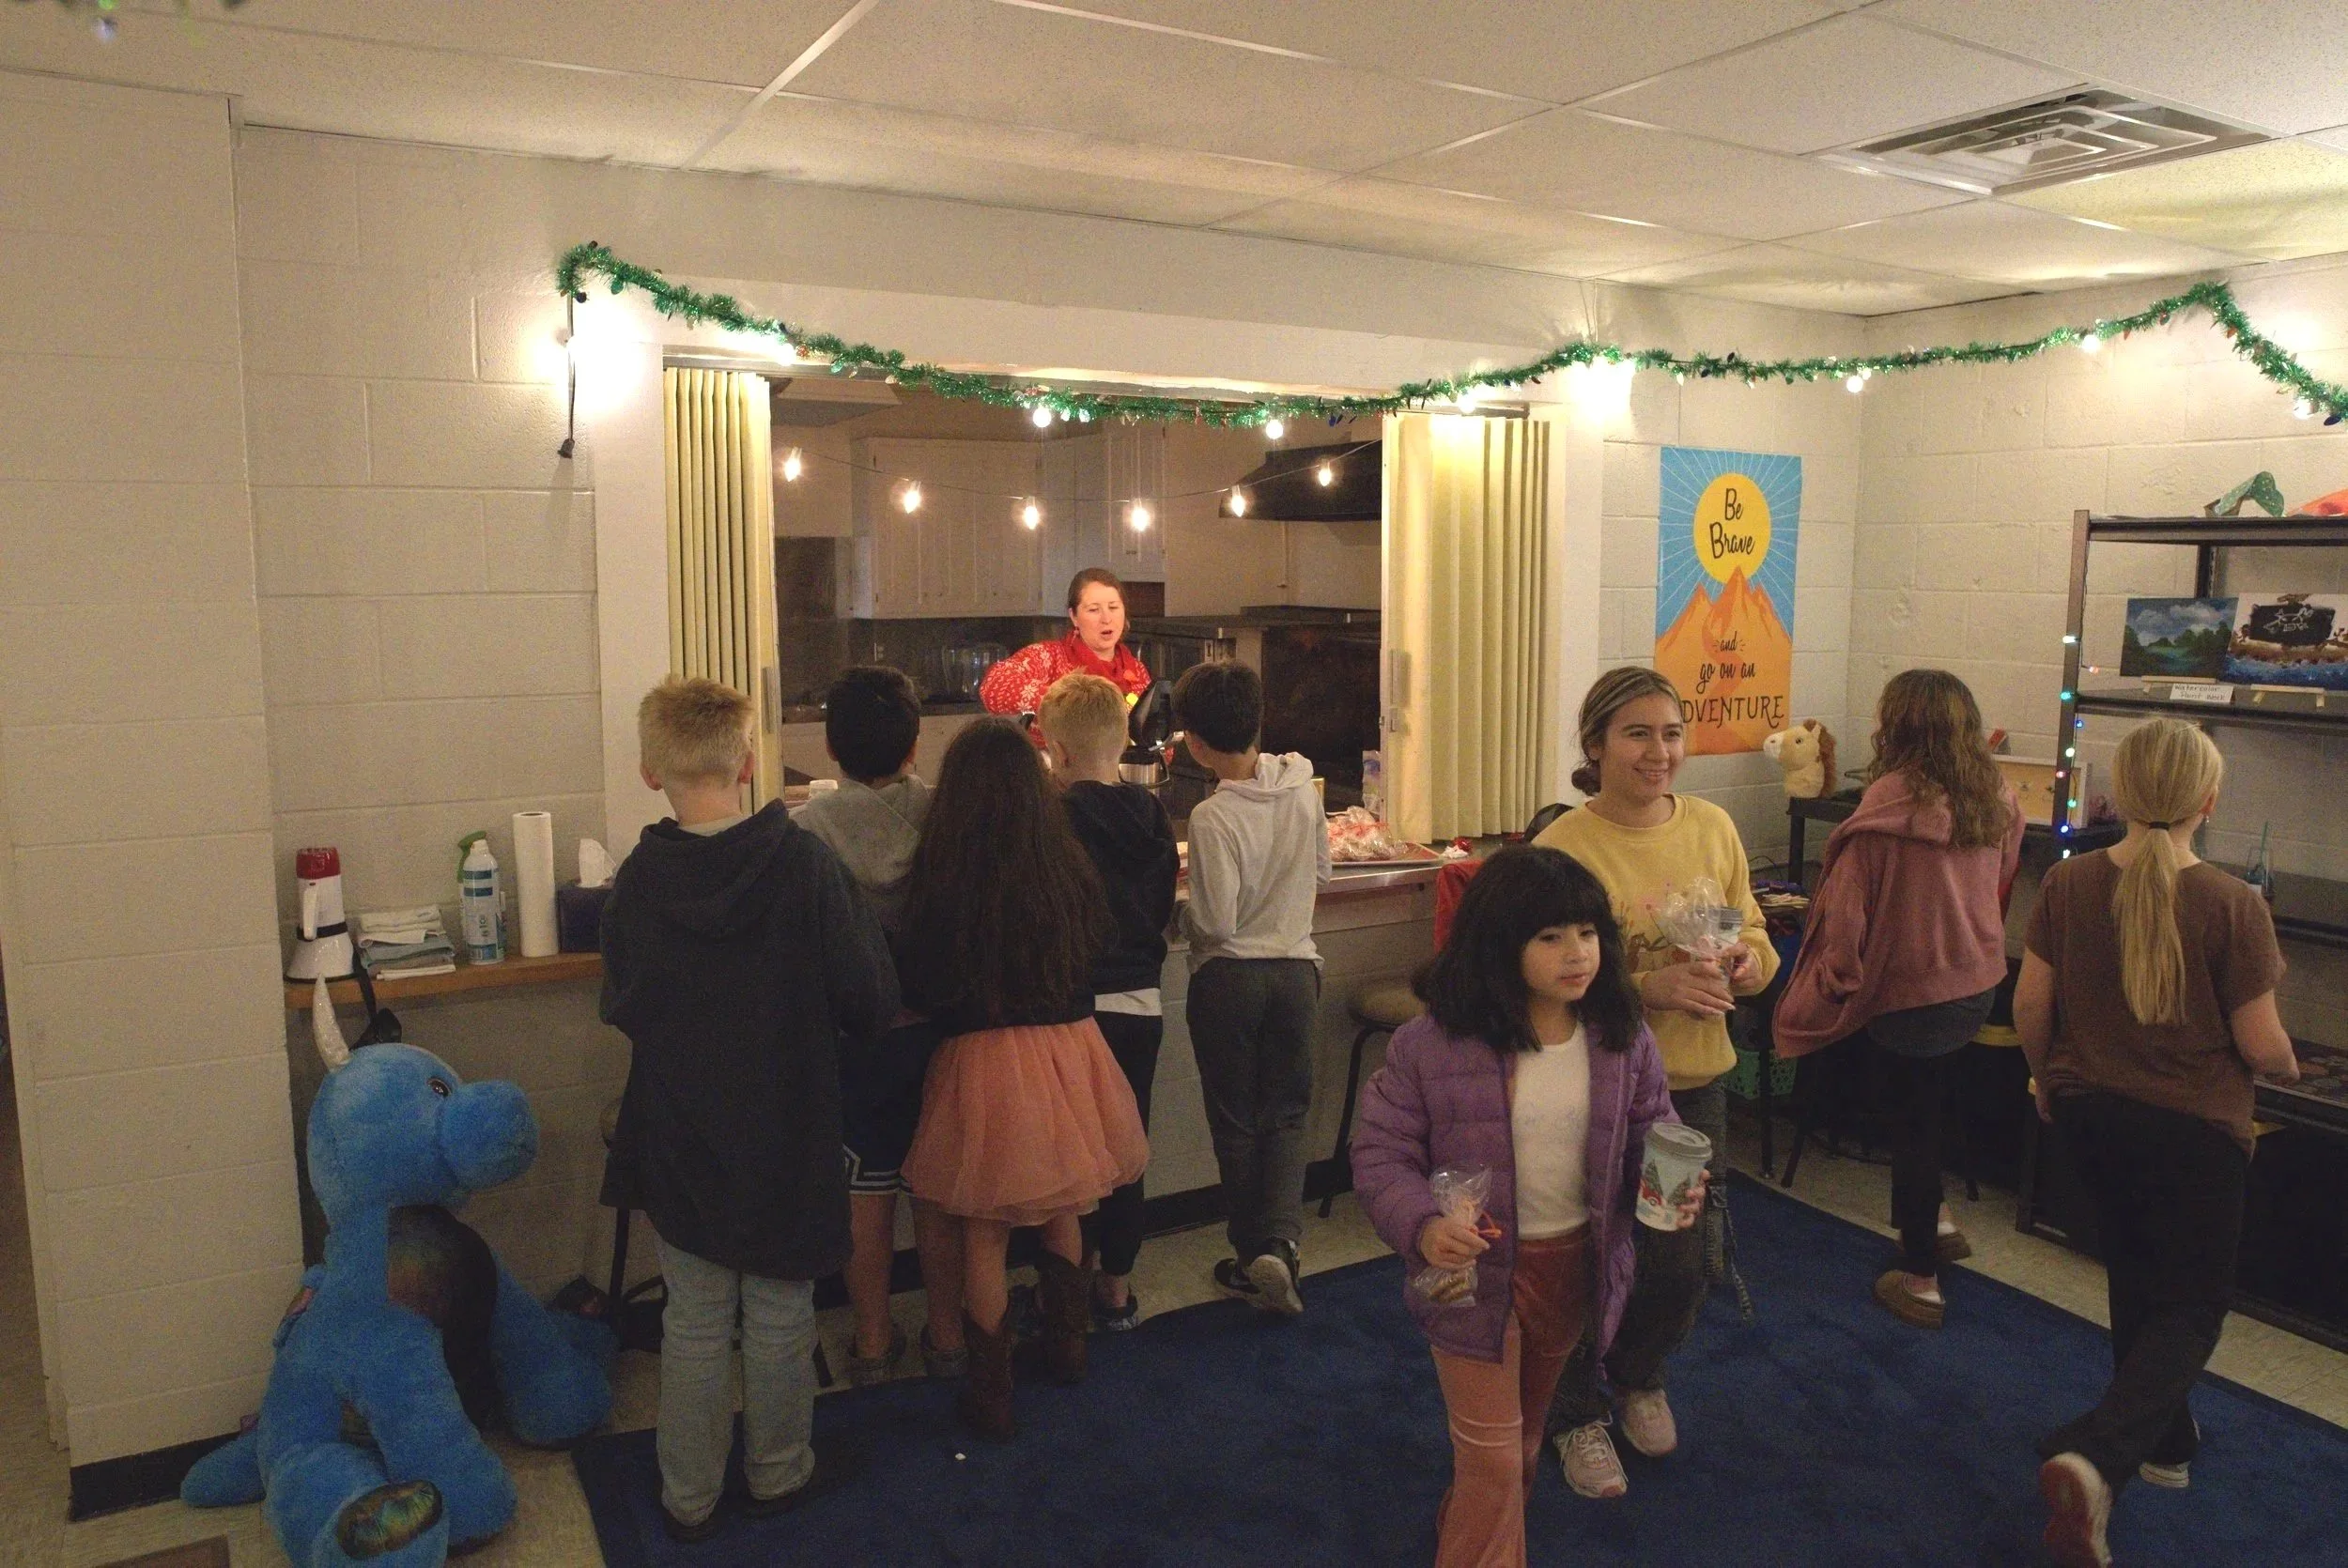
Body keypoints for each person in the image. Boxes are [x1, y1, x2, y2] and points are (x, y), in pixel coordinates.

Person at [598, 676, 898, 1542]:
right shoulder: (801, 863)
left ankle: (686, 1497)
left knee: (692, 1318)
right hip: (790, 1123)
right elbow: (870, 995)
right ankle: (777, 1473)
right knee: (777, 1311)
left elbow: (622, 1005)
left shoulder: (640, 883)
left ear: (651, 772)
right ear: (751, 758)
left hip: (681, 1128)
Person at [1351, 847, 1702, 1568]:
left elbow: (1648, 1135)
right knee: (1492, 1457)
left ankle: (1474, 1526)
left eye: (1587, 933)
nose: (1577, 954)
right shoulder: (1432, 1046)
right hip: (1471, 1279)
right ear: (1500, 944)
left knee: (1525, 1439)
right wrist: (1422, 1223)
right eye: (1549, 937)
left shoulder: (1621, 1040)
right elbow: (1381, 1153)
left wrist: (1669, 1185)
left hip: (1572, 1270)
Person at [2016, 718, 2298, 1568]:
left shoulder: (2067, 884)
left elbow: (2032, 1005)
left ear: (2126, 792)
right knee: (2193, 1305)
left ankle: (2166, 1443)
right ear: (2208, 802)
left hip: (2089, 1117)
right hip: (2193, 1133)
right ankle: (2101, 1459)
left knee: (2139, 1277)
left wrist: (2043, 1080)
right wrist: (2292, 1064)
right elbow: (2261, 1048)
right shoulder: (2233, 904)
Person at [1529, 665, 1776, 1498]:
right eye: (1638, 734)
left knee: (1682, 1260)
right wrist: (1645, 989)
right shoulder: (1563, 848)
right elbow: (1531, 981)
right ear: (1595, 746)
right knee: (1578, 1256)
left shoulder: (1712, 827)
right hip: (1588, 1092)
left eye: (1672, 733)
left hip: (1687, 1092)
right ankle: (1572, 1415)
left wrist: (1747, 963)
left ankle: (1635, 1373)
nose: (1659, 751)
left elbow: (1757, 939)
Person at [897, 718, 1151, 1438]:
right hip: (1071, 1050)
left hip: (980, 1060)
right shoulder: (1064, 864)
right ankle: (1068, 1348)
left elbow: (922, 978)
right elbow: (1097, 948)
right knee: (1064, 1206)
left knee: (983, 1228)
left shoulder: (944, 877)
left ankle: (992, 1390)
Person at [1774, 669, 2023, 1329]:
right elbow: (2003, 876)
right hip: (1975, 981)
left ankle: (1921, 1279)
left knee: (1909, 1127)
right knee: (1929, 1104)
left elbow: (1845, 908)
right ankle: (1936, 1217)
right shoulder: (1993, 794)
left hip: (1909, 990)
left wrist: (1835, 978)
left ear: (1899, 726)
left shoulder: (1885, 800)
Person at [794, 665, 966, 1386]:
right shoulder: (948, 815)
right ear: (915, 745)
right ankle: (950, 1338)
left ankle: (870, 1341)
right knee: (936, 1189)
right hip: (940, 1033)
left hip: (855, 1041)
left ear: (831, 751)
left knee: (864, 1197)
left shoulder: (804, 832)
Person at [1173, 658, 1333, 1316]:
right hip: (1297, 974)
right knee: (1288, 1117)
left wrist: (1176, 909)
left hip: (1231, 980)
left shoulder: (1213, 818)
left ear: (1194, 744)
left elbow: (1213, 922)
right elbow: (1321, 869)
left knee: (1237, 1126)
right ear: (1259, 721)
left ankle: (1249, 1258)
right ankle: (1284, 1248)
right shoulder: (1302, 787)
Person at [1038, 672, 1181, 1331]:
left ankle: (1065, 1287)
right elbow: (1159, 906)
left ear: (1056, 751)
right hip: (1140, 1001)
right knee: (1128, 1150)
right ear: (1123, 739)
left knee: (1070, 1156)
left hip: (1075, 1003)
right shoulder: (1151, 812)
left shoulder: (1054, 817)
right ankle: (1117, 1289)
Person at [979, 566, 1154, 720]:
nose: (1106, 618)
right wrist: (1066, 699)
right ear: (1074, 616)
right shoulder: (1049, 657)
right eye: (1094, 610)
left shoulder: (1136, 671)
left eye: (1114, 607)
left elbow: (1157, 738)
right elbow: (994, 686)